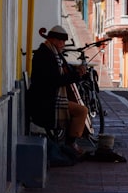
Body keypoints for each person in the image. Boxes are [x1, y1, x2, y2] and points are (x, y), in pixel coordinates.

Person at [27, 25, 89, 154]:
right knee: (81, 111)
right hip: (45, 102)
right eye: (61, 41)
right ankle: (71, 143)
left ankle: (68, 142)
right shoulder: (46, 56)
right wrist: (76, 75)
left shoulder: (51, 54)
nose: (63, 44)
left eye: (64, 41)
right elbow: (55, 81)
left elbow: (60, 76)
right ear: (53, 40)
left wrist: (75, 73)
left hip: (47, 98)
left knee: (78, 109)